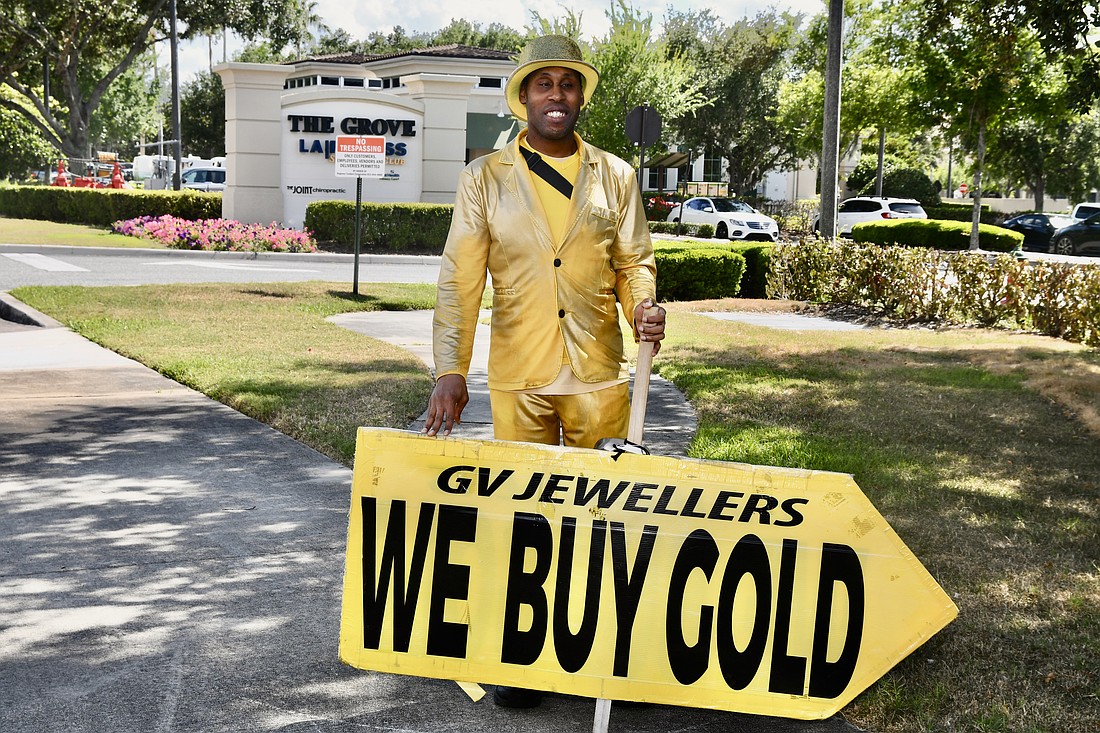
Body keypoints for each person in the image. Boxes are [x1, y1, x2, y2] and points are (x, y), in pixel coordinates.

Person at [421, 34, 666, 707]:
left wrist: (644, 307)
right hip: (518, 374)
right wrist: (451, 368)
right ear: (525, 96)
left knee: (603, 518)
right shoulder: (485, 178)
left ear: (580, 95)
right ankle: (519, 660)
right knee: (521, 521)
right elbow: (459, 281)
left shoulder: (615, 175)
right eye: (543, 84)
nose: (555, 96)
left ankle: (601, 654)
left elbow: (634, 261)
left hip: (601, 375)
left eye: (567, 84)